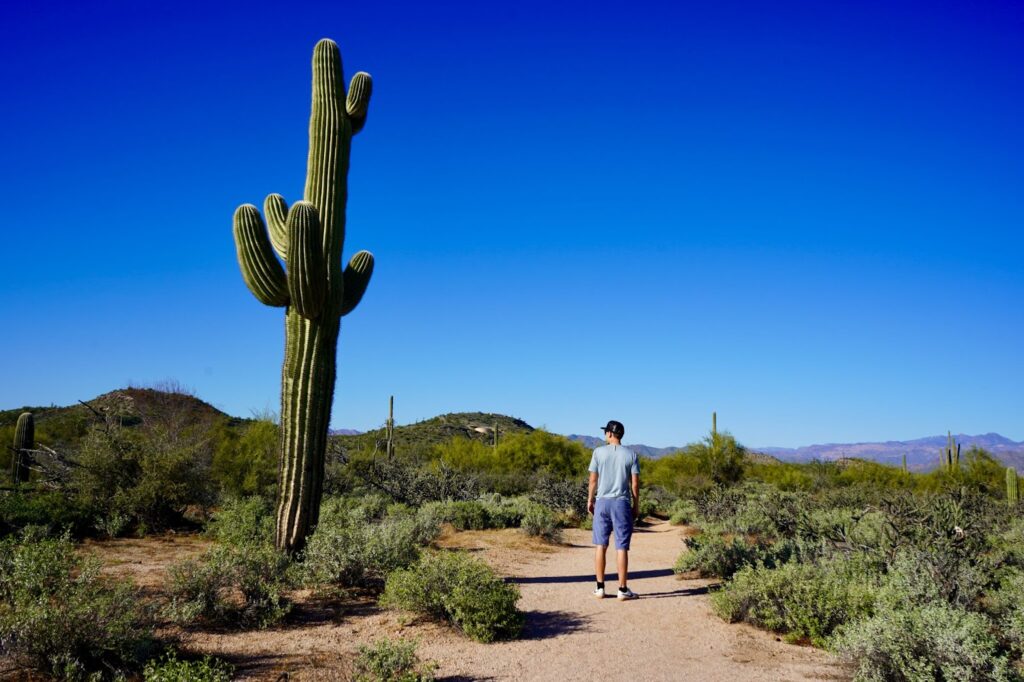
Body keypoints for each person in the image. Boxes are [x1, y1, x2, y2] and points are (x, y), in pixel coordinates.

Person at [588, 419, 640, 600]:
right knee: (621, 547)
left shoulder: (598, 452)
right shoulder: (631, 455)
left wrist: (589, 500)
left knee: (600, 545)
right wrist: (636, 505)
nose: (605, 435)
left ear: (610, 433)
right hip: (621, 504)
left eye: (605, 432)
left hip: (602, 502)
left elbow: (593, 480)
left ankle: (600, 588)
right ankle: (622, 589)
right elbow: (634, 484)